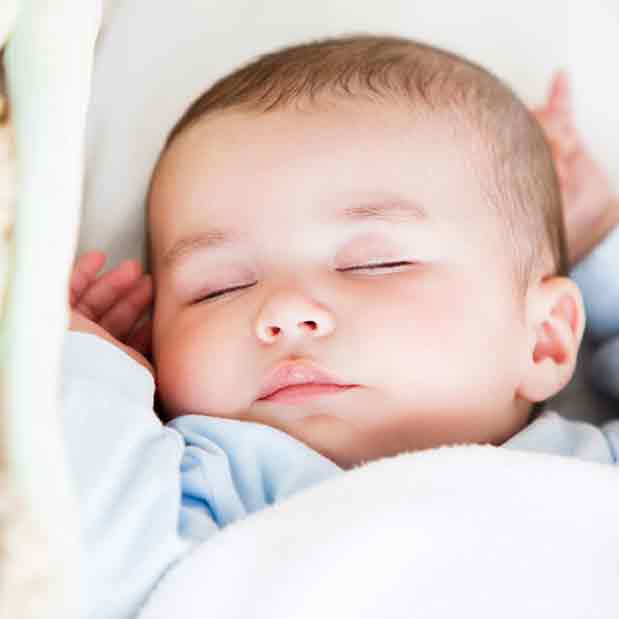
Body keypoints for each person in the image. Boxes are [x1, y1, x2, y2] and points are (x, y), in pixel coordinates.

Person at [63, 36, 619, 618]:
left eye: (373, 264)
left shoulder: (583, 471)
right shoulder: (198, 485)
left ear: (546, 336)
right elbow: (78, 575)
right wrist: (92, 378)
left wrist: (601, 248)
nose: (282, 311)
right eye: (216, 289)